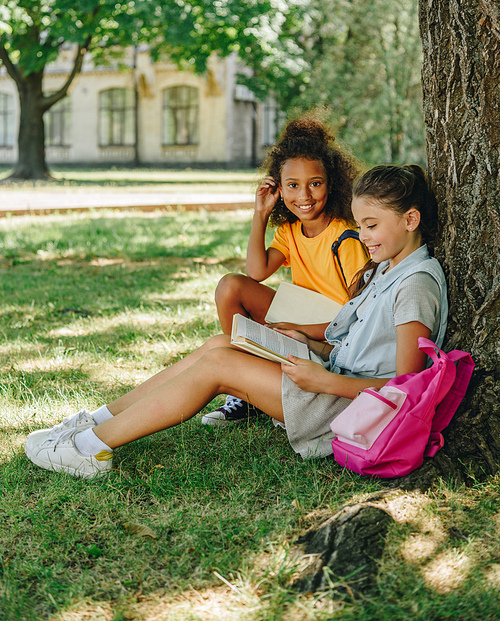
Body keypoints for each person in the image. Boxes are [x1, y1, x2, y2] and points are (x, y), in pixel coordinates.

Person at [24, 163, 448, 478]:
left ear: (410, 220)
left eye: (371, 225)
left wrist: (325, 381)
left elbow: (407, 391)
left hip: (347, 408)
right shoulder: (391, 268)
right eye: (360, 225)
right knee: (219, 345)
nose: (363, 235)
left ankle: (88, 448)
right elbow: (361, 345)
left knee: (219, 365)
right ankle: (95, 419)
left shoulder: (415, 286)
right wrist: (306, 341)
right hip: (331, 377)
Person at [204, 111, 367, 425]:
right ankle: (242, 390)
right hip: (299, 321)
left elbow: (357, 317)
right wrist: (260, 214)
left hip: (333, 335)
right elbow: (256, 272)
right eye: (292, 185)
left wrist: (301, 331)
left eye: (315, 184)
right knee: (230, 286)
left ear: (331, 185)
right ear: (279, 188)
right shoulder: (290, 231)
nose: (304, 196)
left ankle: (255, 381)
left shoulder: (345, 236)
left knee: (238, 290)